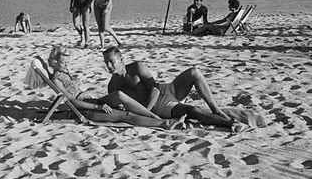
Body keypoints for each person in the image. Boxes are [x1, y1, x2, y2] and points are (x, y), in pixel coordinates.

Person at [98, 46, 238, 129]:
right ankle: (229, 123)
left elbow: (155, 89)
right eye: (106, 63)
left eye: (111, 62)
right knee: (192, 110)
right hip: (159, 106)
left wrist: (145, 111)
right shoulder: (113, 85)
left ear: (121, 59)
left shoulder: (137, 67)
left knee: (194, 72)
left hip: (164, 90)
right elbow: (120, 107)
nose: (109, 66)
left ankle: (216, 110)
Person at [39, 45, 173, 129]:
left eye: (67, 61)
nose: (66, 65)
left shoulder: (63, 74)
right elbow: (71, 101)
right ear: (54, 62)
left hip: (92, 101)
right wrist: (98, 107)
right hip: (86, 109)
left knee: (120, 96)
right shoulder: (57, 80)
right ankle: (161, 122)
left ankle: (155, 117)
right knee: (125, 114)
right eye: (63, 62)